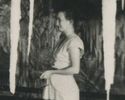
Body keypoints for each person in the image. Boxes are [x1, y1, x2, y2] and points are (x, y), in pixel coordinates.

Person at [40, 10, 84, 100]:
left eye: (59, 20)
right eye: (56, 20)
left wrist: (52, 72)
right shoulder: (63, 39)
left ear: (70, 21)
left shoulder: (74, 41)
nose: (56, 23)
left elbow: (75, 69)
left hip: (65, 90)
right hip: (55, 86)